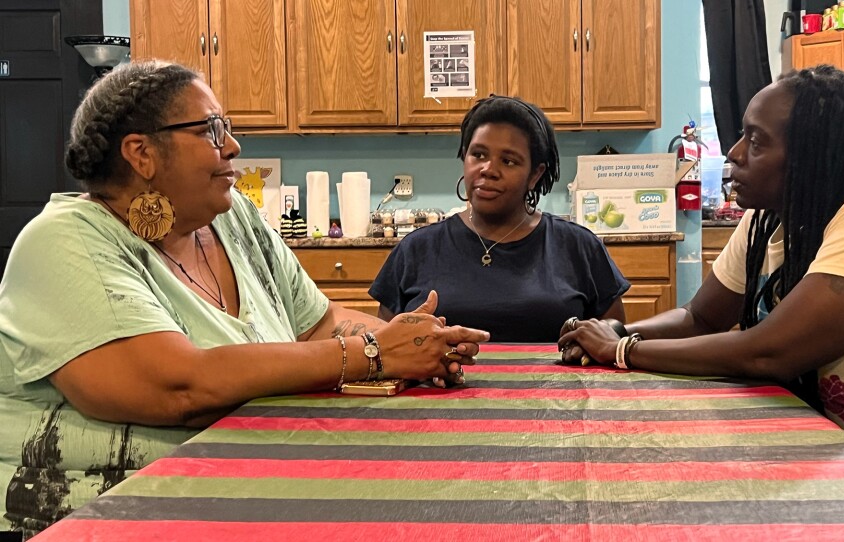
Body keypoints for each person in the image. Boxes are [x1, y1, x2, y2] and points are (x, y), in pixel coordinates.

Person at [0, 61, 488, 538]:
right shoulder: (63, 243)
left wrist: (410, 345)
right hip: (103, 516)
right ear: (140, 153)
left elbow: (318, 324)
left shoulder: (233, 221)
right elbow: (178, 388)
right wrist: (374, 355)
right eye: (212, 130)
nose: (233, 144)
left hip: (242, 496)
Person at [559, 65, 844, 507]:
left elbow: (769, 351)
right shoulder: (764, 221)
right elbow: (701, 317)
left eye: (756, 140)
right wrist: (619, 332)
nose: (733, 153)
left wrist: (621, 351)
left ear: (812, 153)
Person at [370, 95, 630, 342]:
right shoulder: (416, 249)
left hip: (554, 389)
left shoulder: (578, 246)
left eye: (508, 161)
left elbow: (610, 343)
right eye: (479, 155)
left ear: (535, 175)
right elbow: (387, 346)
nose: (488, 170)